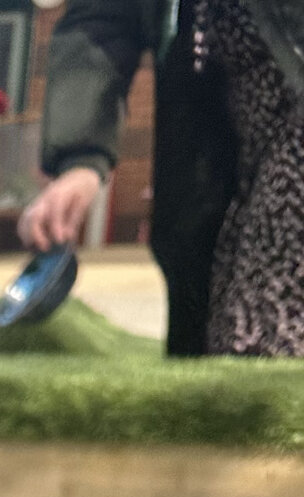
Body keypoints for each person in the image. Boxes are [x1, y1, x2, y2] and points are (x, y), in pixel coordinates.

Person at [19, 0, 304, 355]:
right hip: (213, 165)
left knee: (262, 347)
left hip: (288, 149)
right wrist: (80, 158)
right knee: (212, 347)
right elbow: (102, 19)